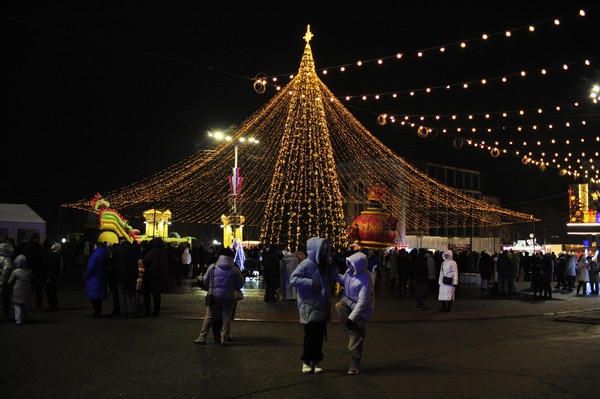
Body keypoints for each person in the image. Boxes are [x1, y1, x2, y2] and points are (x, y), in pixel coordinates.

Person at [289, 237, 335, 374]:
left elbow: (329, 281)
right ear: (315, 250)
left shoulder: (324, 264)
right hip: (309, 304)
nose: (324, 252)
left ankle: (316, 360)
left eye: (326, 250)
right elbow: (293, 279)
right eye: (322, 250)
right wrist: (309, 283)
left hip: (321, 304)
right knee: (310, 336)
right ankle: (307, 361)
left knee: (319, 336)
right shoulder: (306, 264)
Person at [335, 251, 374, 375]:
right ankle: (352, 334)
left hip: (363, 309)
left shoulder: (366, 280)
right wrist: (335, 275)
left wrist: (351, 319)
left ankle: (355, 362)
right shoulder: (349, 272)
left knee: (360, 333)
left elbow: (362, 303)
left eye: (352, 264)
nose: (350, 267)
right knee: (339, 306)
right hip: (348, 301)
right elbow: (344, 279)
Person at [194, 247, 244, 346]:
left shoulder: (212, 267)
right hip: (230, 296)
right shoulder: (235, 269)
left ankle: (202, 337)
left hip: (214, 295)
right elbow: (240, 284)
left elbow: (205, 281)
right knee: (226, 317)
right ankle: (223, 339)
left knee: (209, 316)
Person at [112, 238, 140, 318]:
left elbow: (113, 259)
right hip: (132, 275)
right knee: (132, 294)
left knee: (122, 294)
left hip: (121, 274)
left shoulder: (118, 249)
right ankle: (133, 311)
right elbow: (138, 258)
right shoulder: (134, 249)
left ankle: (124, 312)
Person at [141, 237, 169, 317]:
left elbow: (146, 261)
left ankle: (148, 310)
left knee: (147, 293)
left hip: (151, 275)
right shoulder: (164, 252)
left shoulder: (152, 252)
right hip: (160, 276)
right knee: (157, 295)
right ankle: (157, 311)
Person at [21, 233, 44, 311]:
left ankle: (34, 305)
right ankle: (33, 305)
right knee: (33, 289)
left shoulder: (31, 246)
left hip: (34, 270)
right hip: (33, 270)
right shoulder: (34, 246)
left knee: (33, 289)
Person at [85, 241, 108, 317]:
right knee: (99, 297)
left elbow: (90, 267)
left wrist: (87, 275)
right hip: (101, 277)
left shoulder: (95, 255)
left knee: (94, 297)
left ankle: (96, 311)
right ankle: (98, 311)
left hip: (93, 278)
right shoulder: (104, 255)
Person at [8, 254, 32, 325]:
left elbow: (10, 281)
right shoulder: (29, 271)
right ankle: (28, 318)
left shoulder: (15, 272)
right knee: (26, 305)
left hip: (17, 290)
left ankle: (18, 320)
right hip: (27, 290)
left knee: (17, 306)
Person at [43, 242, 62, 310]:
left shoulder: (55, 255)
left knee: (51, 291)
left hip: (50, 277)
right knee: (51, 291)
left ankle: (53, 305)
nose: (52, 246)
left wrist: (50, 277)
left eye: (54, 245)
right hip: (50, 276)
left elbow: (53, 267)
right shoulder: (53, 255)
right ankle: (53, 305)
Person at [0, 241, 15, 320]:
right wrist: (2, 282)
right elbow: (7, 271)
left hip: (2, 283)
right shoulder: (7, 259)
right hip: (4, 284)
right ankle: (6, 315)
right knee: (6, 300)